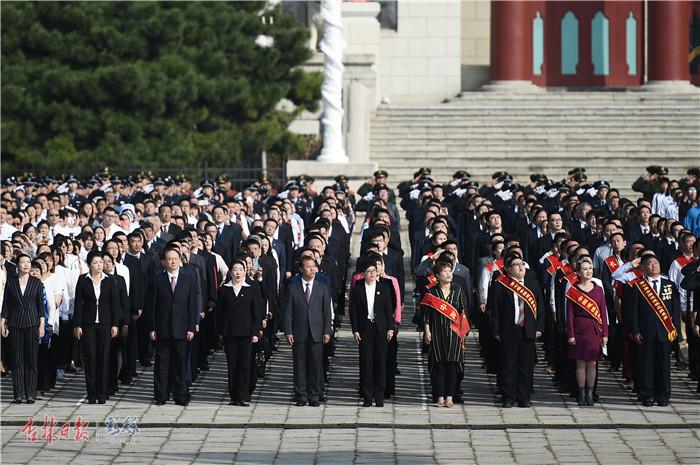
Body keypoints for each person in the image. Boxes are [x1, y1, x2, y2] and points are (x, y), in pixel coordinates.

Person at [489, 252, 545, 408]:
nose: (520, 267)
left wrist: (539, 327)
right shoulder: (500, 284)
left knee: (526, 366)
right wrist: (496, 330)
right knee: (508, 365)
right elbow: (494, 310)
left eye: (522, 264)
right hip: (508, 330)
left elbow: (540, 307)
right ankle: (508, 397)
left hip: (527, 330)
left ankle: (524, 398)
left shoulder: (532, 284)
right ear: (507, 269)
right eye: (516, 265)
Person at [147, 246, 198, 406]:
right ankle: (161, 395)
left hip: (182, 329)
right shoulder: (157, 280)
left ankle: (180, 394)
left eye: (175, 258)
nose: (173, 261)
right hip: (162, 329)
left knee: (181, 364)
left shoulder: (188, 279)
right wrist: (152, 328)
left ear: (180, 260)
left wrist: (191, 326)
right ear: (164, 262)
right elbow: (151, 307)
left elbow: (193, 305)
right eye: (169, 259)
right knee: (162, 364)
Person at [628, 254, 681, 407]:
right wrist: (635, 330)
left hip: (665, 331)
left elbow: (675, 309)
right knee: (646, 365)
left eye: (656, 263)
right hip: (646, 331)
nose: (653, 266)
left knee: (664, 365)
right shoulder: (637, 285)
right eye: (649, 264)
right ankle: (647, 394)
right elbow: (633, 311)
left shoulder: (669, 285)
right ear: (643, 268)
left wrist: (674, 328)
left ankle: (663, 395)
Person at [284, 255, 332, 407]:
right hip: (299, 331)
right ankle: (301, 395)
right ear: (301, 269)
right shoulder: (293, 287)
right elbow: (288, 312)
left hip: (317, 331)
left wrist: (327, 331)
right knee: (299, 365)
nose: (312, 269)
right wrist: (288, 331)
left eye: (314, 266)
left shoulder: (322, 287)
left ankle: (315, 395)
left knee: (316, 365)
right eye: (308, 266)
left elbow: (326, 311)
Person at [72, 251, 120, 404]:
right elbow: (79, 304)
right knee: (90, 358)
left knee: (104, 358)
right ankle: (91, 393)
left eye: (101, 262)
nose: (99, 265)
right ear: (89, 265)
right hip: (88, 324)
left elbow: (114, 304)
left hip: (105, 324)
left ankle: (102, 392)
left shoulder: (109, 280)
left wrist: (115, 324)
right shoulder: (83, 280)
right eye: (95, 263)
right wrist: (78, 325)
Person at [421, 260, 469, 407]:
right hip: (437, 332)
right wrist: (427, 331)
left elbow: (463, 312)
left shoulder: (458, 290)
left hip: (454, 333)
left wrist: (463, 332)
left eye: (450, 271)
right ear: (437, 275)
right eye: (445, 271)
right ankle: (439, 396)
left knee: (453, 366)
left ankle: (450, 396)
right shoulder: (431, 291)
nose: (449, 274)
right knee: (439, 365)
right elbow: (426, 315)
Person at [216, 260, 264, 406]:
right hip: (230, 333)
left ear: (245, 272)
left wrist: (256, 332)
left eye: (240, 270)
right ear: (230, 272)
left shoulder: (252, 288)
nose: (238, 272)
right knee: (232, 365)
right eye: (235, 269)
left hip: (246, 333)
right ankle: (233, 396)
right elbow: (220, 314)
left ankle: (243, 395)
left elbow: (257, 312)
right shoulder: (224, 289)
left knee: (244, 364)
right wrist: (220, 332)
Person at [350, 256, 395, 407]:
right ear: (363, 273)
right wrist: (355, 329)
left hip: (381, 329)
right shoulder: (358, 289)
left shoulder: (384, 288)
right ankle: (367, 396)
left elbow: (389, 310)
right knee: (366, 363)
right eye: (369, 271)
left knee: (381, 363)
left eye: (374, 271)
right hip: (365, 329)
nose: (372, 274)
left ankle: (380, 396)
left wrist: (390, 328)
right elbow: (353, 311)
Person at [1, 254, 45, 403]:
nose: (26, 265)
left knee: (31, 360)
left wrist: (42, 325)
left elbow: (40, 306)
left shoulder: (36, 283)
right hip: (15, 323)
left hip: (32, 323)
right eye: (22, 262)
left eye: (28, 262)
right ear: (17, 265)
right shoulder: (11, 283)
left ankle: (30, 393)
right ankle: (18, 393)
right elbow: (6, 304)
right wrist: (3, 321)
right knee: (17, 360)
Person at [566, 256, 609, 406]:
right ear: (578, 272)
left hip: (594, 330)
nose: (588, 271)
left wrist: (605, 334)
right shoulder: (573, 290)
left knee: (592, 364)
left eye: (590, 269)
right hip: (579, 330)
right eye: (584, 269)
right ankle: (581, 393)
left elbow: (603, 312)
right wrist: (570, 334)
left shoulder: (598, 289)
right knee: (580, 364)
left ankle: (590, 393)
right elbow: (569, 314)